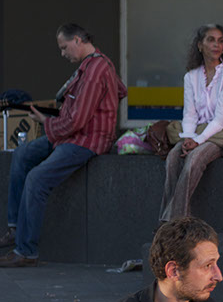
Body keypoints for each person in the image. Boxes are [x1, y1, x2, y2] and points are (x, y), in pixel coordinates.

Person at [0, 24, 127, 268]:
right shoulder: (93, 65)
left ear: (78, 40)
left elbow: (77, 121)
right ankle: (15, 229)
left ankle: (26, 252)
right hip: (69, 134)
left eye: (64, 47)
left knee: (37, 178)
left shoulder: (95, 70)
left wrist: (47, 122)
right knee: (22, 154)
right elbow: (120, 90)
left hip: (86, 140)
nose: (62, 53)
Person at [160, 24, 223, 223]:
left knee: (194, 158)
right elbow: (189, 115)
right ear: (199, 45)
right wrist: (189, 137)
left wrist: (197, 141)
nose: (216, 45)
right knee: (172, 158)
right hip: (198, 132)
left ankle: (171, 222)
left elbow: (221, 118)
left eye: (220, 41)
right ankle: (177, 220)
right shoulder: (191, 77)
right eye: (211, 40)